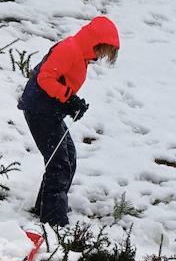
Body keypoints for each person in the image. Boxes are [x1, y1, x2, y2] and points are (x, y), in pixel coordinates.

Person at [18, 16, 120, 227]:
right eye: (105, 50)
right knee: (59, 164)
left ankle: (47, 207)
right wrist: (68, 98)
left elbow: (61, 83)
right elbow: (45, 79)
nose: (103, 56)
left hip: (48, 110)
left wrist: (70, 104)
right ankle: (53, 221)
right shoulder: (70, 50)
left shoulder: (80, 54)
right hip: (39, 110)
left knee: (68, 158)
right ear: (97, 42)